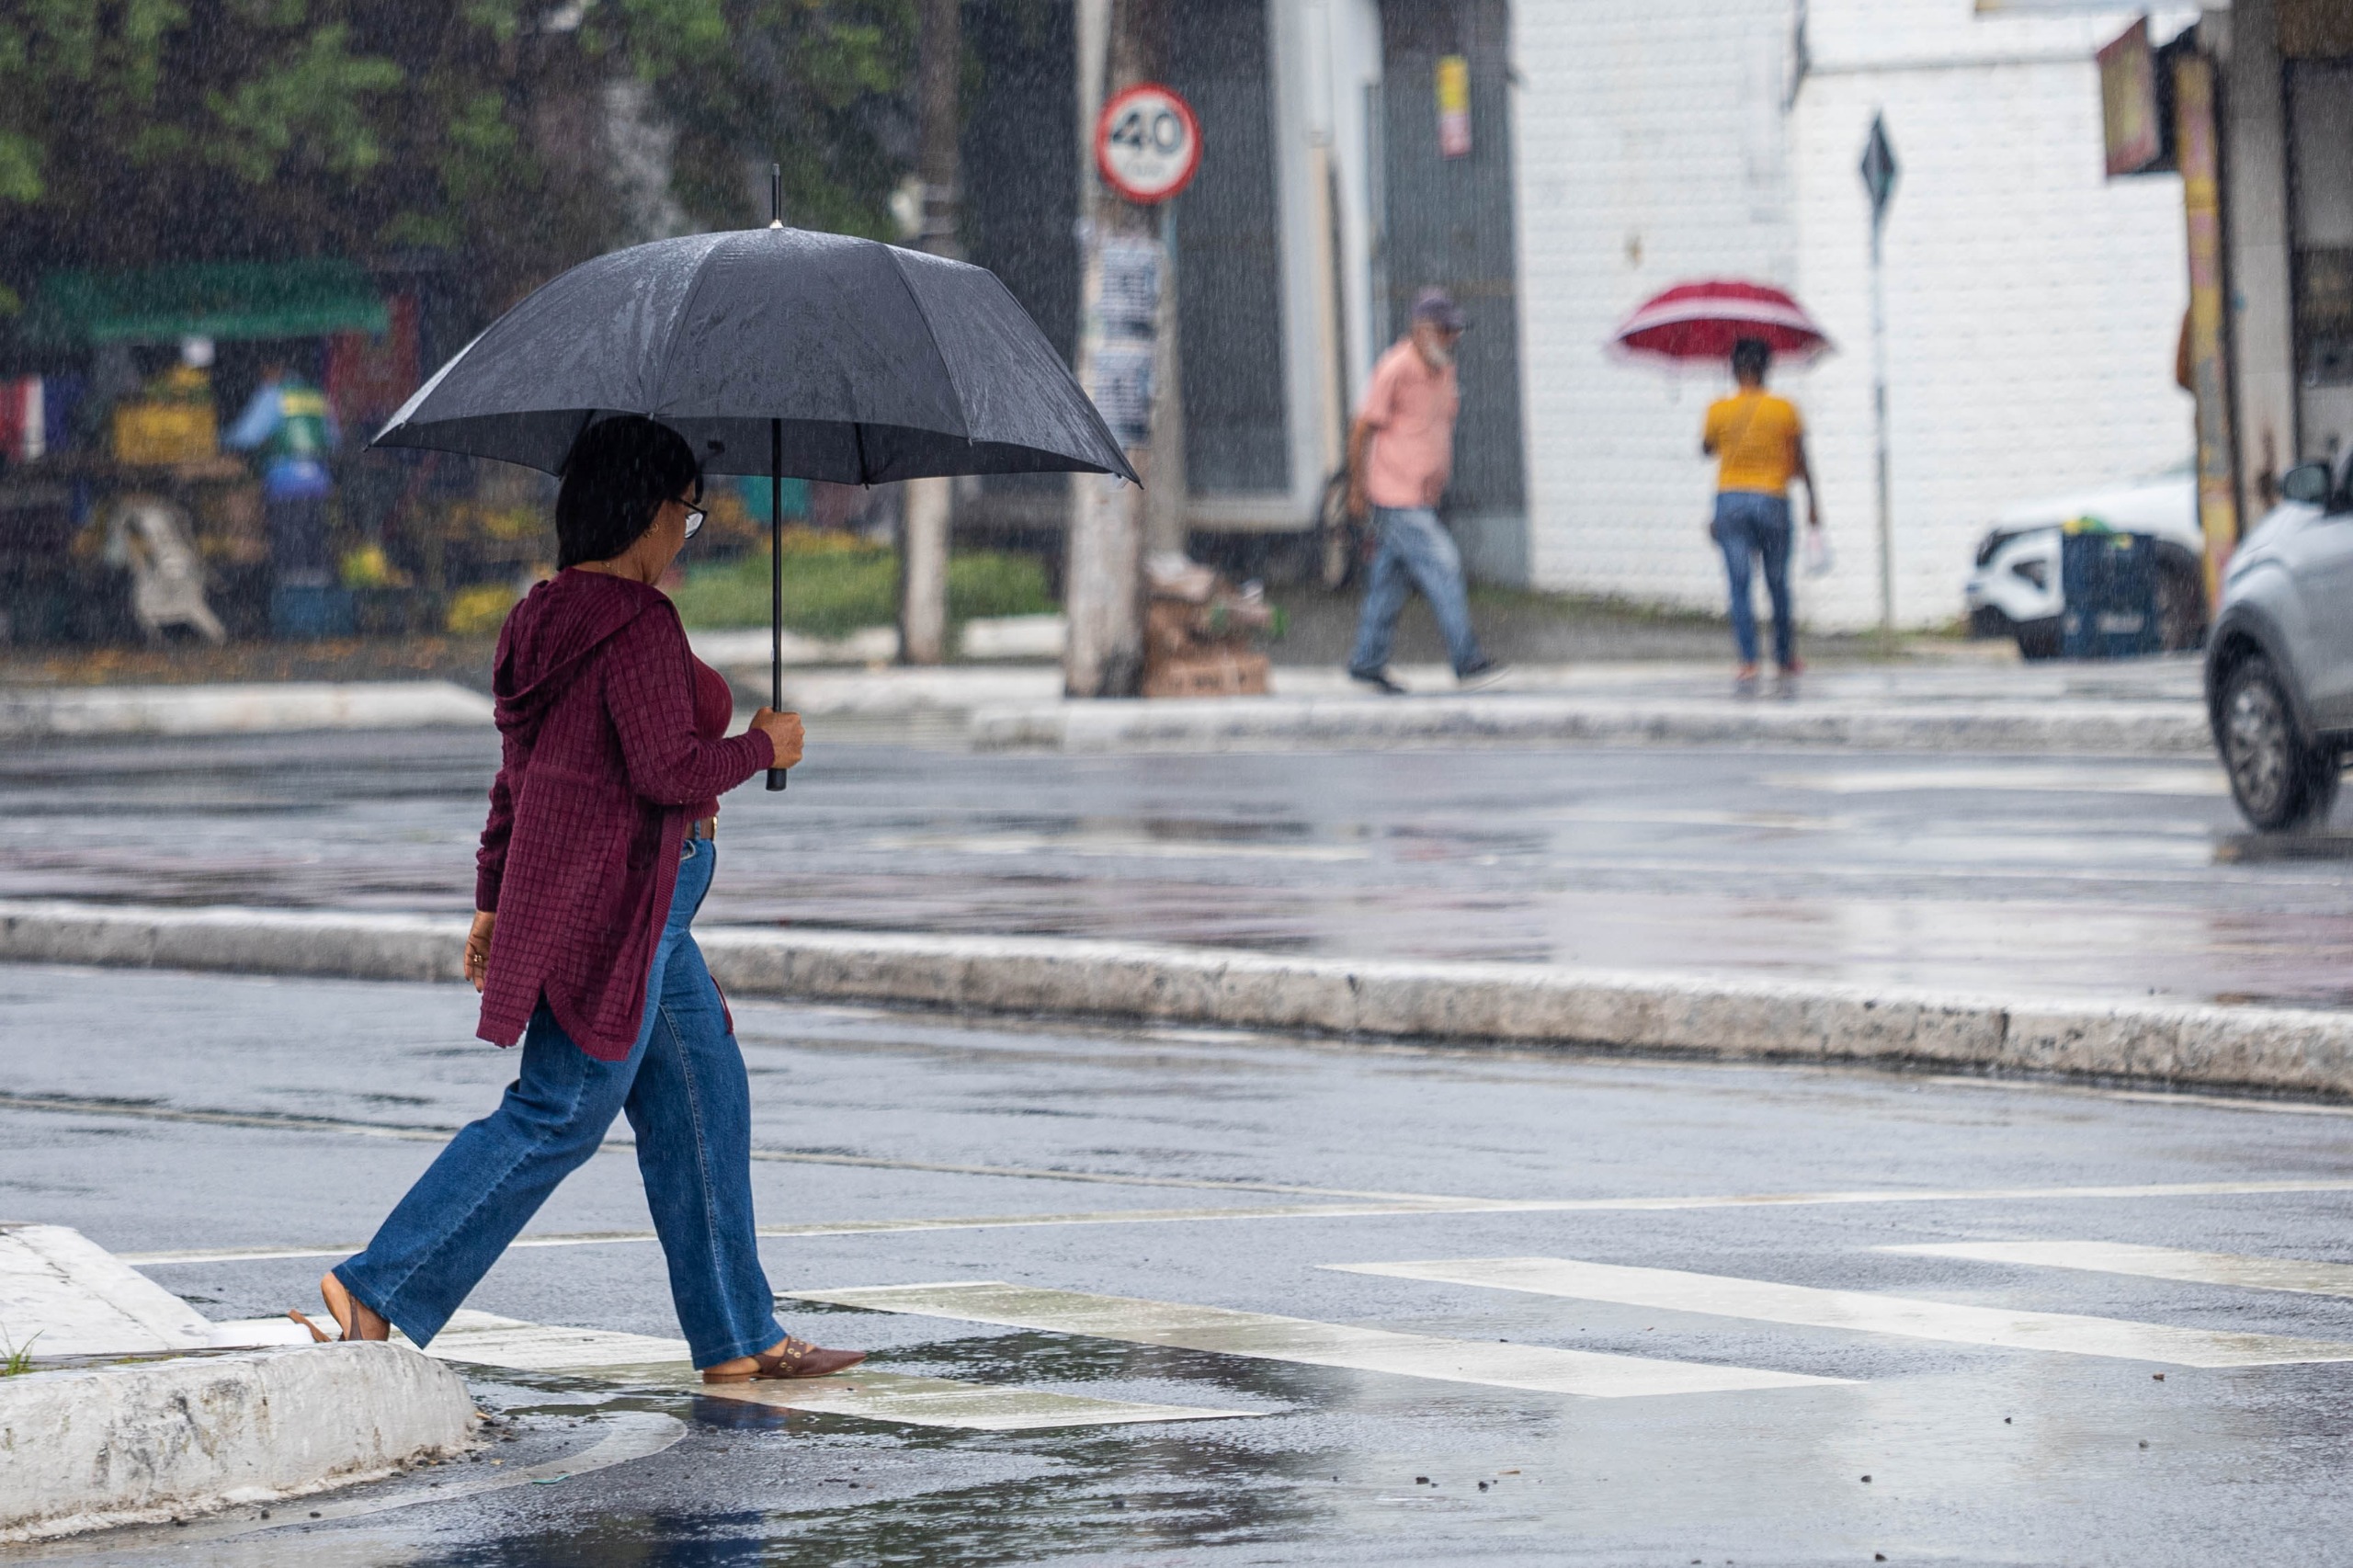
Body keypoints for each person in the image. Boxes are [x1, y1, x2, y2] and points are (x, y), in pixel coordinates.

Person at [296, 416, 864, 1383]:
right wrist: (764, 746)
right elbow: (665, 767)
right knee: (558, 1109)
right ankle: (377, 1286)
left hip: (626, 901)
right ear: (646, 511)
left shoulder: (541, 615)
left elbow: (518, 776)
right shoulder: (637, 622)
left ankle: (738, 1333)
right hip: (624, 896)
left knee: (704, 1096)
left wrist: (492, 895)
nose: (685, 535)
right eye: (686, 514)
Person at [1346, 288, 1503, 695]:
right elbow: (1362, 428)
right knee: (1444, 565)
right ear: (1420, 330)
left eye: (1455, 330)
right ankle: (1466, 658)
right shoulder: (1395, 367)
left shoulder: (1444, 369)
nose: (1453, 338)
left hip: (1423, 496)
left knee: (1390, 580)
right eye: (1444, 330)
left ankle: (1367, 661)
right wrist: (1356, 489)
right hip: (1395, 495)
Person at [1701, 337, 1821, 694]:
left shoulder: (1718, 409)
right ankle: (1784, 657)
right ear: (1767, 368)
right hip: (1773, 499)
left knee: (1739, 584)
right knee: (1777, 583)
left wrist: (1726, 420)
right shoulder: (1785, 409)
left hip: (1730, 502)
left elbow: (1707, 449)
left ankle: (1748, 661)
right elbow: (1801, 458)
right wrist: (1814, 502)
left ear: (1734, 370)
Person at [224, 360, 341, 637]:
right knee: (313, 551)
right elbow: (333, 439)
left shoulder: (273, 395)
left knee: (289, 553)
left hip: (285, 484)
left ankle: (293, 622)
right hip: (317, 485)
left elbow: (247, 437)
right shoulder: (315, 395)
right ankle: (318, 620)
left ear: (270, 370)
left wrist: (220, 438)